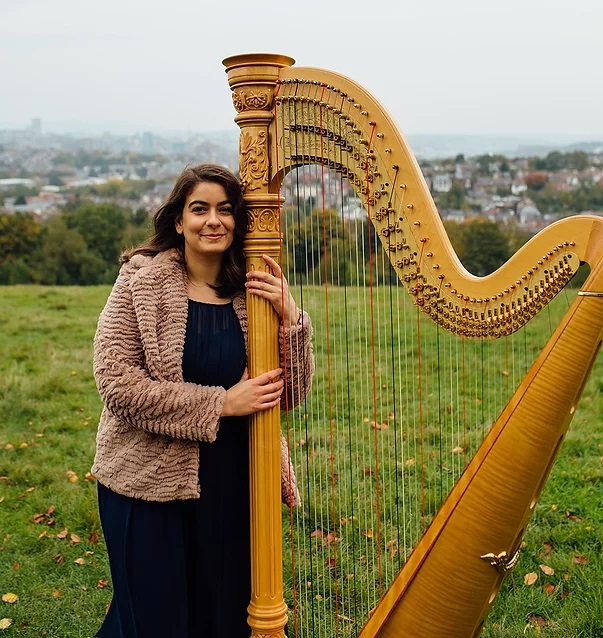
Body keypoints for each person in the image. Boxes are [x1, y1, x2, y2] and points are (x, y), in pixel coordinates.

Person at [91, 163, 314, 638]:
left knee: (224, 616)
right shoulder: (140, 281)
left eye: (225, 210)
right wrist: (220, 405)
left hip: (236, 480)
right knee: (156, 620)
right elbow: (117, 384)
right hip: (147, 482)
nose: (213, 220)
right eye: (200, 209)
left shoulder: (250, 290)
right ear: (178, 220)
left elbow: (289, 393)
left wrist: (290, 316)